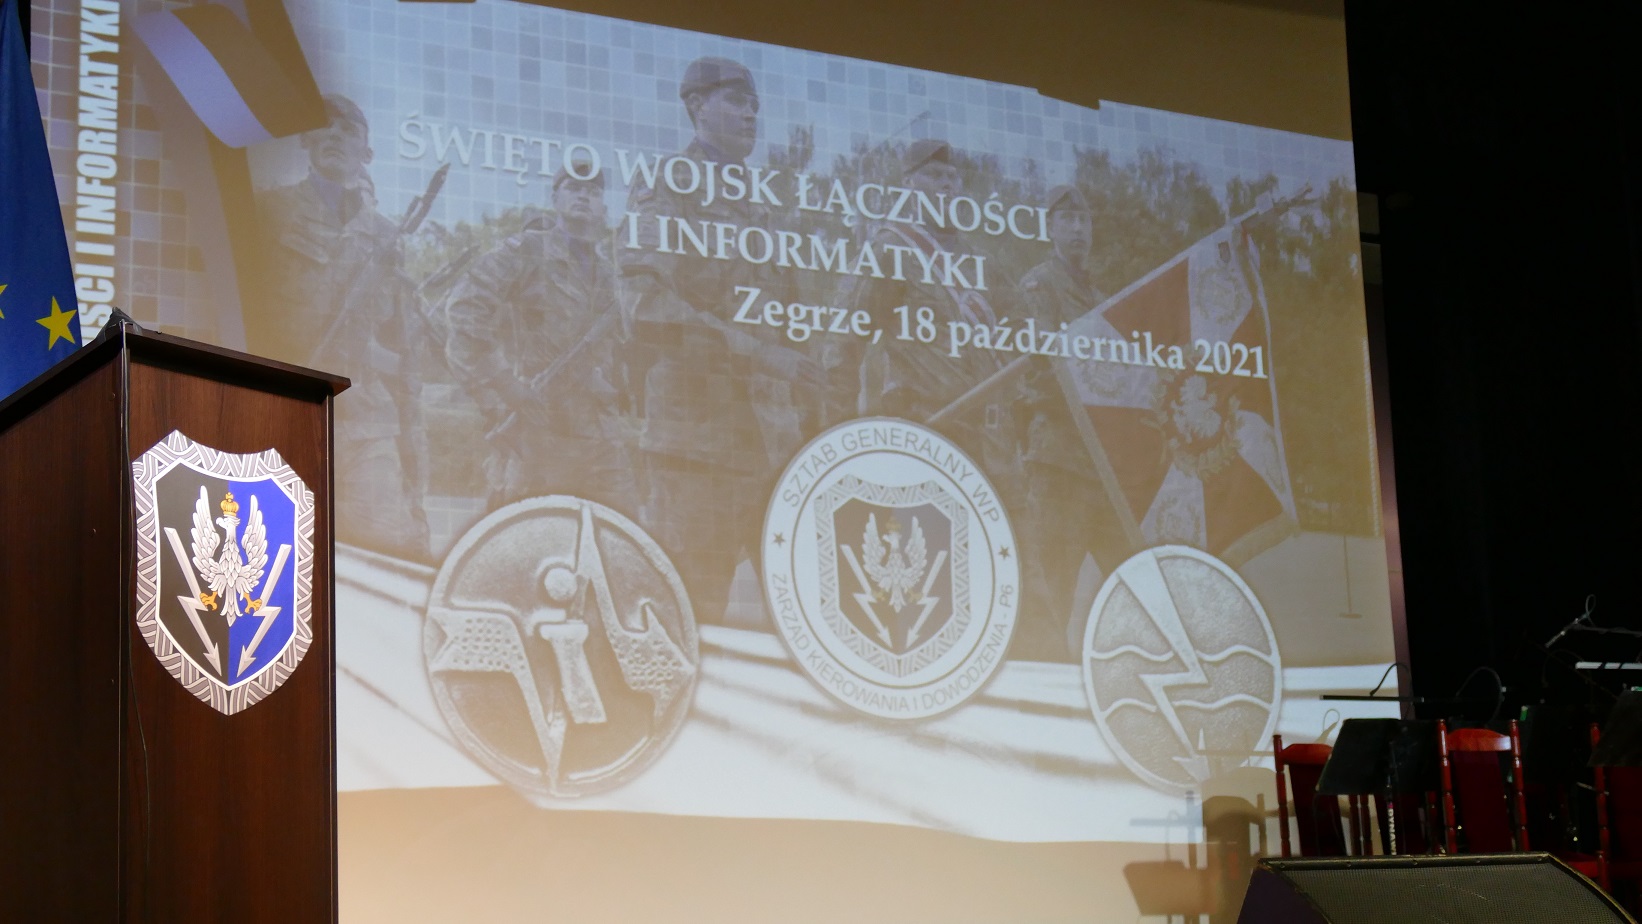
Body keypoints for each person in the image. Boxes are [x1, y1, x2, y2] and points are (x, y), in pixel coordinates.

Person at [618, 56, 820, 626]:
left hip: (774, 451)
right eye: (735, 101)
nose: (750, 114)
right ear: (697, 106)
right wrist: (761, 355)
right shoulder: (666, 184)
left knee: (803, 625)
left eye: (755, 105)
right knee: (691, 618)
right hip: (697, 450)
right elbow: (647, 305)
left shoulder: (764, 207)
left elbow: (790, 323)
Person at [256, 93, 430, 561]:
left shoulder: (387, 237)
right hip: (284, 416)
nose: (335, 134)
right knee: (275, 561)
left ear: (366, 153)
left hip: (367, 426)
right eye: (326, 124)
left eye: (349, 130)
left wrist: (415, 485)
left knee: (382, 560)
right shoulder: (267, 213)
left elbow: (405, 359)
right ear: (306, 139)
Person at [443, 163, 638, 512]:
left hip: (600, 433)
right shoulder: (527, 251)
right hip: (540, 426)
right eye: (574, 188)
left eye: (593, 192)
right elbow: (465, 310)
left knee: (620, 528)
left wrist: (616, 387)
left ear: (603, 207)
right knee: (533, 530)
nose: (584, 196)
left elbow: (622, 348)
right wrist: (505, 386)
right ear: (555, 198)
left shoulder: (610, 275)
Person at [1015, 185, 1129, 659]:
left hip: (1102, 465)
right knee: (1053, 591)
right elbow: (1044, 363)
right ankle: (1038, 686)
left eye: (1084, 220)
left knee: (1132, 580)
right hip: (1059, 459)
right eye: (1067, 219)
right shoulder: (1038, 286)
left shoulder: (1100, 296)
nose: (1078, 228)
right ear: (1051, 228)